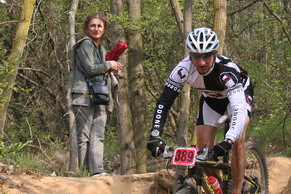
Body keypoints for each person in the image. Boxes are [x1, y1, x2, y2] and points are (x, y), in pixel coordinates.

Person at [147, 27, 253, 193]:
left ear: (215, 53)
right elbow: (164, 102)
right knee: (203, 152)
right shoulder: (182, 70)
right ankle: (221, 189)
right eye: (196, 56)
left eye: (206, 56)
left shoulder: (227, 71)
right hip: (211, 99)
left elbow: (239, 108)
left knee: (238, 140)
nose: (201, 62)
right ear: (190, 54)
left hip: (238, 97)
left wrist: (228, 139)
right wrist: (155, 134)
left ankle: (237, 191)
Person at [71, 13, 123, 177]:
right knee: (84, 136)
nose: (96, 29)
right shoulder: (85, 44)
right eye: (93, 25)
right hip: (83, 95)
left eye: (100, 26)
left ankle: (97, 171)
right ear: (87, 28)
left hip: (99, 95)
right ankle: (84, 174)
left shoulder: (100, 48)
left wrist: (111, 68)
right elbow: (90, 68)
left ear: (104, 29)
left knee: (98, 134)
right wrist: (109, 64)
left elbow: (100, 71)